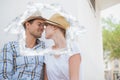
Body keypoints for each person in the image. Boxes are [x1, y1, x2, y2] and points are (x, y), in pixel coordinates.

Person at [0, 11, 46, 80]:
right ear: (27, 25)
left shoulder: (44, 48)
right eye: (39, 24)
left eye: (43, 25)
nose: (42, 28)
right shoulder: (10, 47)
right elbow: (4, 76)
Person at [44, 13, 81, 80]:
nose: (44, 29)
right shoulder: (47, 52)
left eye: (46, 25)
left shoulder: (72, 48)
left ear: (54, 27)